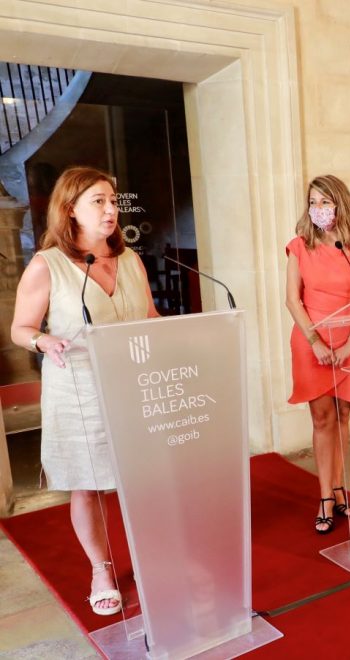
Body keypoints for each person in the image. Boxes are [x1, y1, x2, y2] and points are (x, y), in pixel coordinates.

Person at [11, 166, 160, 616]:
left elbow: (150, 317)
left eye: (113, 200)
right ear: (71, 209)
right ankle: (101, 568)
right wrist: (42, 340)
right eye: (99, 201)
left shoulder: (131, 260)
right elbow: (20, 328)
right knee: (89, 485)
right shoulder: (47, 264)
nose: (111, 209)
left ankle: (154, 557)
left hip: (135, 387)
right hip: (80, 391)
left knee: (142, 480)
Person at [284, 175, 350, 534]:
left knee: (342, 416)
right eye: (313, 202)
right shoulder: (299, 246)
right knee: (322, 419)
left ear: (341, 204)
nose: (318, 209)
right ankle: (325, 496)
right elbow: (292, 299)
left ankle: (340, 487)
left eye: (325, 202)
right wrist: (318, 343)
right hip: (313, 343)